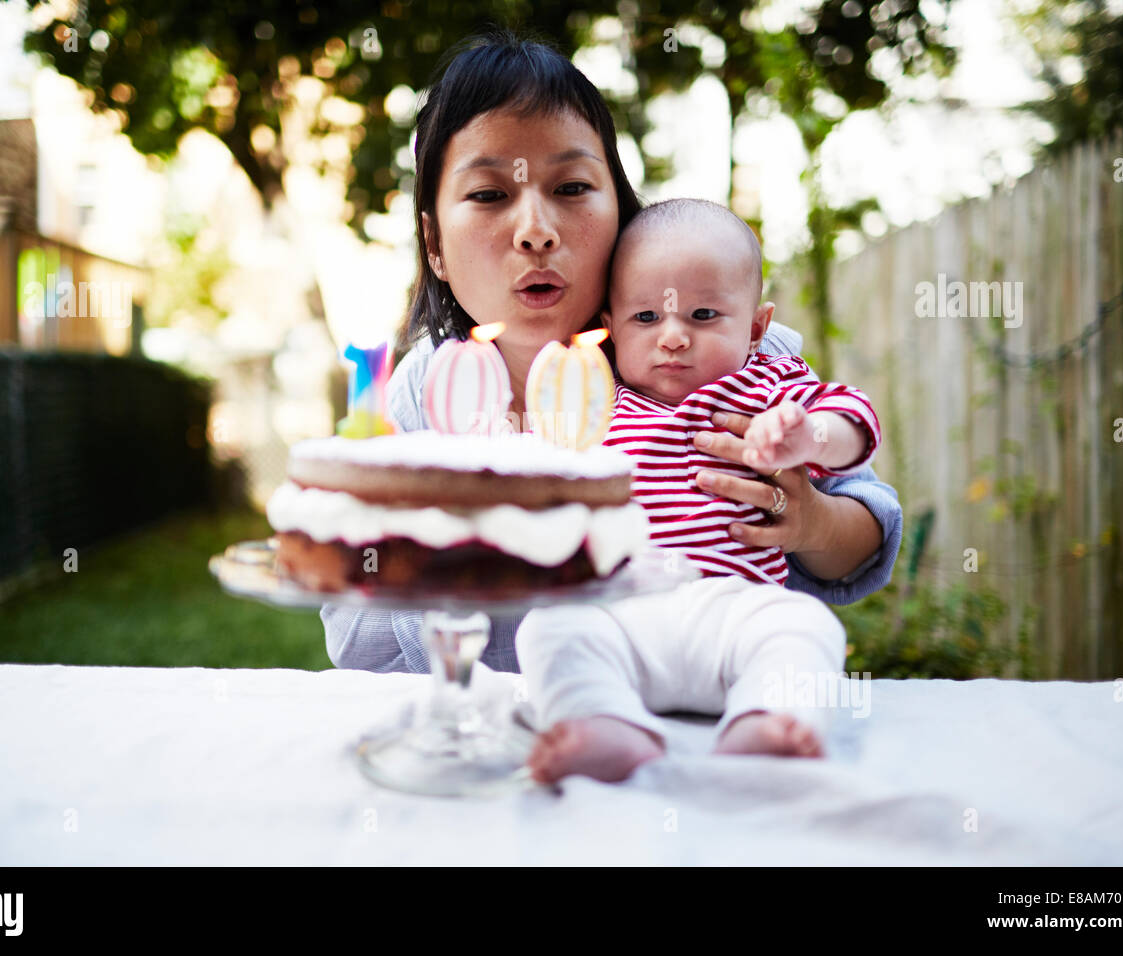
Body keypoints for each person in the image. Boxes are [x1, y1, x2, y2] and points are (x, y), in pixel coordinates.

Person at [319, 30, 902, 675]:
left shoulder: (725, 359)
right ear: (434, 244)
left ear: (621, 210)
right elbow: (356, 641)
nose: (536, 231)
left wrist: (812, 522)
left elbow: (866, 539)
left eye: (570, 188)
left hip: (691, 721)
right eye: (489, 194)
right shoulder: (418, 397)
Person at [516, 198, 880, 784]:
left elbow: (854, 417)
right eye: (645, 319)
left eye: (704, 315)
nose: (673, 338)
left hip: (732, 606)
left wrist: (806, 437)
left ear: (757, 328)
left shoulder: (768, 384)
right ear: (608, 325)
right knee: (548, 628)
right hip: (617, 610)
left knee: (805, 627)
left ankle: (769, 720)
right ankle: (603, 723)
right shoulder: (593, 403)